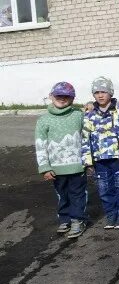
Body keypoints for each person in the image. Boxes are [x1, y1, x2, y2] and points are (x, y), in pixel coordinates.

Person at [35, 82, 87, 239]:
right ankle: (65, 219)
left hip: (77, 166)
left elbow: (87, 136)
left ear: (73, 98)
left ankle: (78, 220)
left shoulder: (79, 115)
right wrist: (44, 167)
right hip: (56, 169)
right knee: (62, 195)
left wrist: (88, 160)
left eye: (67, 96)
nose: (62, 99)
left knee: (77, 194)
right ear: (51, 96)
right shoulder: (43, 120)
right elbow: (40, 145)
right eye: (59, 95)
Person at [81, 77, 119, 229]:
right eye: (96, 92)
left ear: (110, 93)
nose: (100, 95)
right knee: (105, 189)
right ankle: (111, 214)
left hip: (118, 158)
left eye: (103, 92)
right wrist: (88, 160)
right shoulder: (90, 114)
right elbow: (85, 137)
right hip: (99, 159)